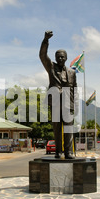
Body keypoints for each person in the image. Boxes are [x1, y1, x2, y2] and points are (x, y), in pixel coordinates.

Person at [39, 31, 77, 159]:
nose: (60, 59)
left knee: (68, 129)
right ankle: (58, 152)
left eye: (62, 57)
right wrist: (45, 40)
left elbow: (74, 90)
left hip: (68, 103)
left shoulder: (72, 72)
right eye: (58, 57)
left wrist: (74, 105)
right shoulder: (51, 67)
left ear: (66, 58)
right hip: (55, 102)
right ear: (55, 58)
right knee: (57, 129)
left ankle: (68, 152)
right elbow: (42, 55)